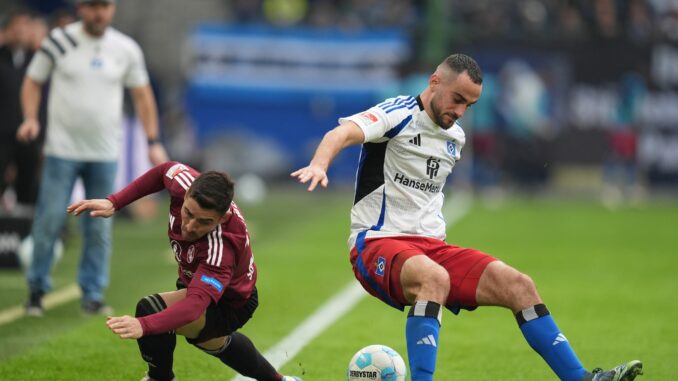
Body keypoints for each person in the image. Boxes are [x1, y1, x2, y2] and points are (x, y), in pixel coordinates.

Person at [291, 53, 643, 381]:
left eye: (469, 105)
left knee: (519, 285)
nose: (461, 111)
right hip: (377, 244)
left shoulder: (455, 137)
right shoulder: (396, 115)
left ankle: (582, 378)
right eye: (457, 99)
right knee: (434, 278)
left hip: (431, 248)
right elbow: (341, 132)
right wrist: (320, 164)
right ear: (434, 83)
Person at [67, 161, 302, 381]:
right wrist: (115, 202)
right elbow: (163, 171)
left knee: (151, 309)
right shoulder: (183, 183)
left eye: (204, 222)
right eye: (188, 213)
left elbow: (195, 305)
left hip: (230, 301)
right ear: (186, 193)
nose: (189, 226)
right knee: (212, 342)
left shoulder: (222, 248)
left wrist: (144, 325)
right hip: (197, 281)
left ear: (223, 218)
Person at [17, 0, 169, 316]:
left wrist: (152, 140)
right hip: (61, 151)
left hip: (104, 153)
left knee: (99, 226)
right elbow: (32, 82)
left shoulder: (125, 48)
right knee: (48, 220)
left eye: (105, 6)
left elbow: (142, 96)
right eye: (92, 6)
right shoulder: (59, 41)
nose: (99, 13)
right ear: (80, 7)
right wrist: (31, 118)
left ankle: (93, 293)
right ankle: (36, 290)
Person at [0, 8, 41, 215]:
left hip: (29, 135)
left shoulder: (38, 60)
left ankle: (24, 233)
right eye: (15, 28)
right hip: (2, 135)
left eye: (24, 27)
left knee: (28, 184)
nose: (20, 32)